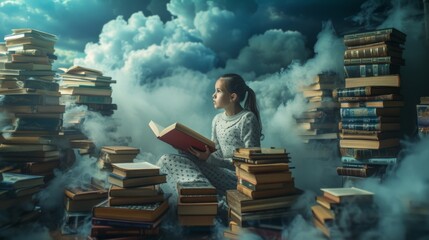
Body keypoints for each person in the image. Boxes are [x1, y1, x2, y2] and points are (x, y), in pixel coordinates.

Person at [157, 73, 262, 200]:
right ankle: (203, 192)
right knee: (166, 159)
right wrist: (186, 148)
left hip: (238, 177)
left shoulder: (247, 119)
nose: (213, 95)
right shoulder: (217, 120)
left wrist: (213, 160)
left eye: (218, 91)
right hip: (218, 170)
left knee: (168, 161)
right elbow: (216, 153)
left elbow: (251, 162)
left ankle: (210, 199)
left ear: (232, 97)